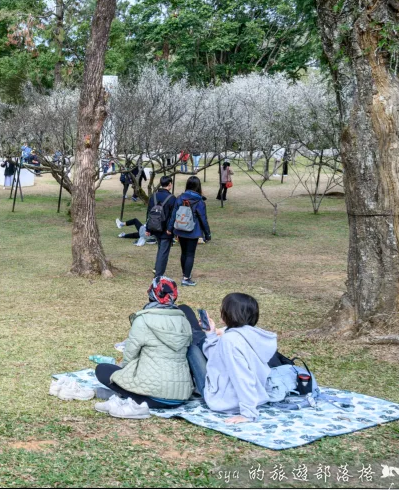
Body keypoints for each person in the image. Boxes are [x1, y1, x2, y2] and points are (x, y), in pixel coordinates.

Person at [93, 277, 194, 419]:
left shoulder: (143, 320)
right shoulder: (184, 321)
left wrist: (125, 373)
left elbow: (130, 356)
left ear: (152, 294)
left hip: (153, 396)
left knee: (102, 370)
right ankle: (126, 395)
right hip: (181, 395)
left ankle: (126, 395)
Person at [199, 293, 278, 423]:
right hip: (257, 394)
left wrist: (248, 413)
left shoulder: (230, 340)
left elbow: (241, 376)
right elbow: (219, 359)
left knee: (192, 351)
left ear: (229, 313)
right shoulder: (254, 334)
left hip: (226, 401)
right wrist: (211, 334)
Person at [169, 176, 210, 287]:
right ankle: (186, 278)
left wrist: (170, 229)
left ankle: (185, 274)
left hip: (180, 229)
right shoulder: (199, 200)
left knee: (184, 252)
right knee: (190, 254)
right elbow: (203, 218)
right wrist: (207, 233)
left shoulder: (180, 198)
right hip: (193, 230)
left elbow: (174, 215)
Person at [148, 176, 177, 277]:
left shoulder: (153, 196)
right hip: (166, 230)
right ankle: (158, 275)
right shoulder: (172, 198)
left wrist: (148, 229)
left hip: (155, 226)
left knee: (161, 249)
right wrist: (170, 229)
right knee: (163, 252)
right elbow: (173, 216)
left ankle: (157, 268)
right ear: (169, 184)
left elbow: (149, 213)